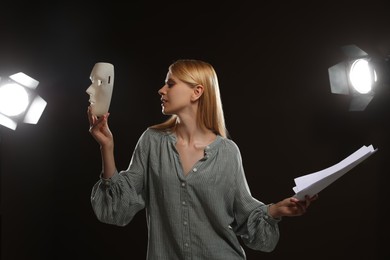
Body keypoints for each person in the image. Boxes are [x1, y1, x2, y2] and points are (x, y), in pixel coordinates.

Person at [88, 59, 318, 260]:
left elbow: (245, 214)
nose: (161, 90)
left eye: (170, 83)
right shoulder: (152, 141)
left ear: (196, 92)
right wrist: (106, 147)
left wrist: (275, 210)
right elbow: (116, 210)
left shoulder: (228, 152)